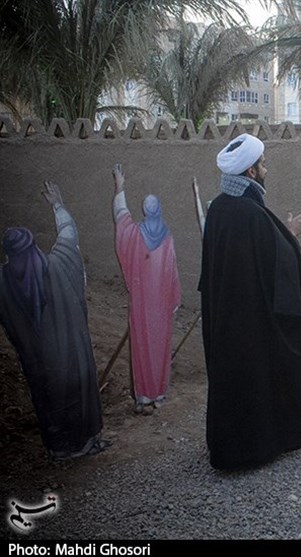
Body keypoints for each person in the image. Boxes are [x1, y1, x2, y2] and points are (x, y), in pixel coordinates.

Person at [199, 133, 301, 470]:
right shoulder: (249, 213)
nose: (266, 169)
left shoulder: (220, 208)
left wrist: (282, 234)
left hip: (226, 320)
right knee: (254, 379)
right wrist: (290, 235)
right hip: (249, 324)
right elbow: (277, 261)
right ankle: (251, 449)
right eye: (262, 164)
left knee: (232, 381)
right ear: (250, 172)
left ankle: (229, 448)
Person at [0, 182, 106, 459]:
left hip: (38, 362)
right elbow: (68, 235)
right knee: (76, 392)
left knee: (47, 398)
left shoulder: (4, 282)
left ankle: (59, 448)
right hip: (70, 355)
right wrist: (57, 204)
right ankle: (84, 443)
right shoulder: (57, 267)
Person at [112, 164, 181, 415]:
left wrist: (120, 187)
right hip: (161, 306)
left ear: (144, 210)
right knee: (160, 346)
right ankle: (159, 394)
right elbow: (172, 272)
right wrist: (173, 299)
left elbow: (121, 217)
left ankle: (143, 396)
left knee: (143, 346)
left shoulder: (134, 235)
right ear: (159, 209)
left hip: (142, 305)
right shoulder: (167, 237)